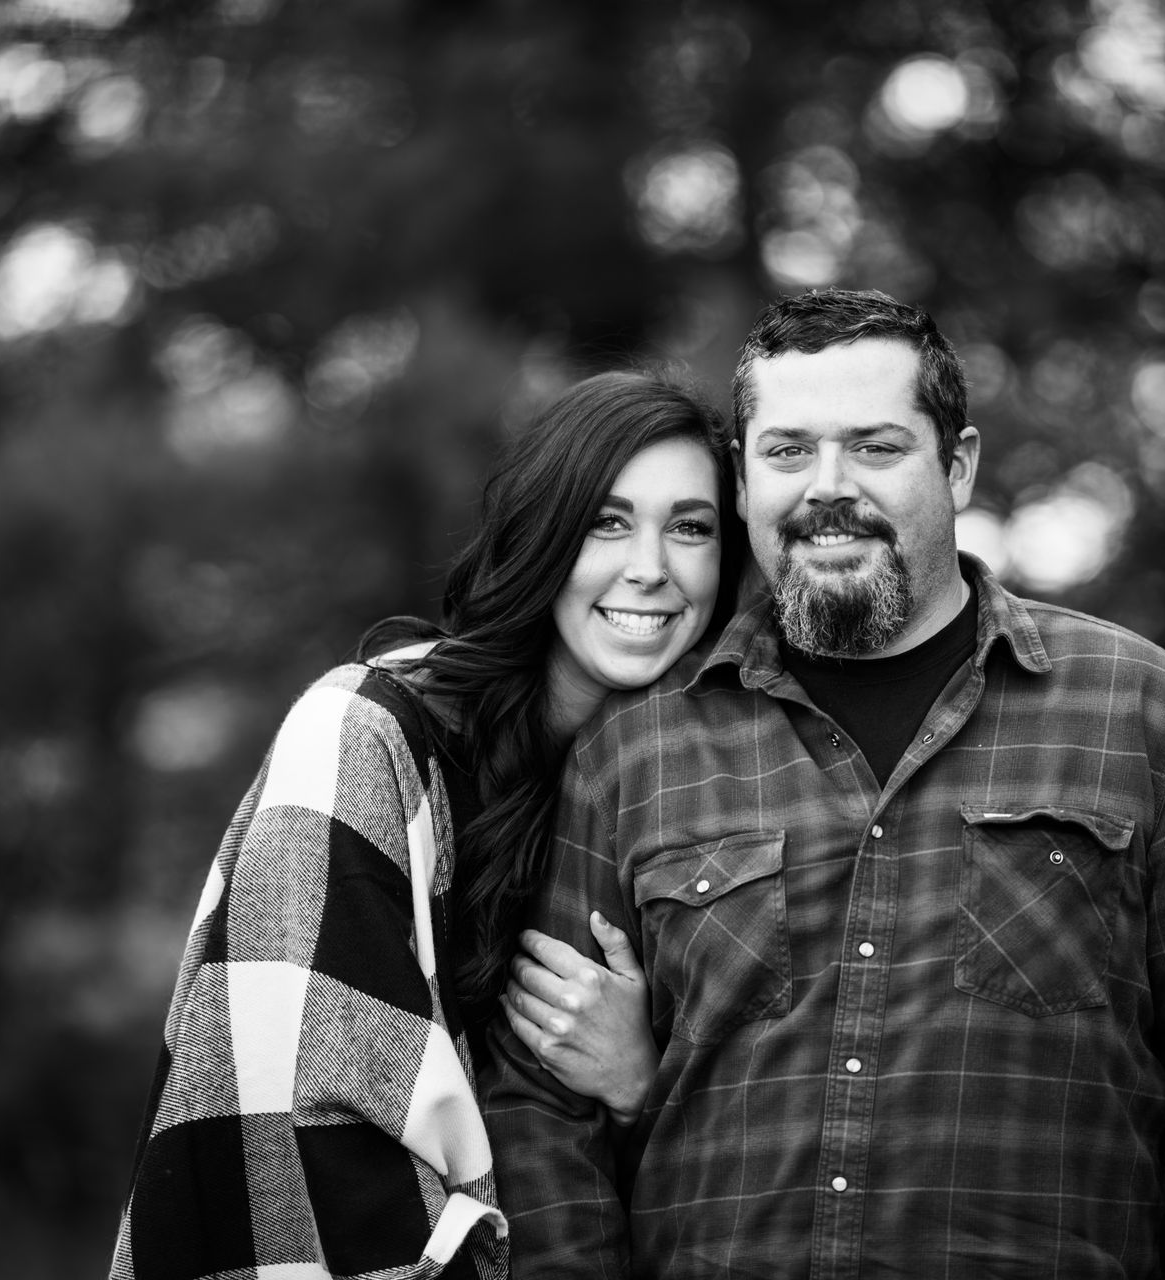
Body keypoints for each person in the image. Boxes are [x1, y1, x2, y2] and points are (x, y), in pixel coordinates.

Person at [484, 289, 1165, 1277]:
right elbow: (543, 1117)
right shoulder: (631, 753)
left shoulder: (1151, 718)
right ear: (739, 480)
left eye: (875, 447)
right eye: (787, 451)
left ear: (958, 465)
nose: (827, 486)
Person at [109, 370, 745, 1280]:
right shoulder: (364, 734)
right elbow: (309, 1103)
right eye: (608, 522)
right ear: (543, 536)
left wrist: (642, 1082)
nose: (651, 566)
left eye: (690, 527)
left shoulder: (679, 788)